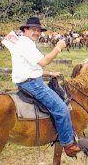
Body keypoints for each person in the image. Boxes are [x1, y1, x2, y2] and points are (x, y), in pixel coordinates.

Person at [8, 17, 82, 157]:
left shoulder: (22, 42)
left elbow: (30, 66)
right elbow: (43, 61)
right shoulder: (26, 44)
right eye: (33, 30)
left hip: (27, 81)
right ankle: (68, 145)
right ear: (25, 29)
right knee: (62, 109)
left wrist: (50, 74)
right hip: (33, 84)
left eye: (38, 30)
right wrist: (58, 47)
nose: (36, 32)